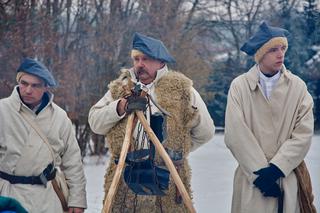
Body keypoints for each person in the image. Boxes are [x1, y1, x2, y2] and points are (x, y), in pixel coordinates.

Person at [89, 32, 215, 212]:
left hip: (169, 181)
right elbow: (95, 122)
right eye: (136, 59)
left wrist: (173, 153)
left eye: (146, 59)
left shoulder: (182, 89)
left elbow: (206, 132)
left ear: (161, 61)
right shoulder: (120, 88)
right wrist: (120, 106)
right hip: (125, 180)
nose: (140, 64)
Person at [225, 21, 315, 213]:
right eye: (273, 49)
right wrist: (260, 176)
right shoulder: (240, 87)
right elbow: (235, 134)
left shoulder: (298, 87)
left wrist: (277, 168)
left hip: (287, 175)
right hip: (251, 179)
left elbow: (304, 133)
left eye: (283, 48)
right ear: (260, 54)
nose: (280, 53)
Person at [0, 58, 87, 213]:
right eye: (24, 83)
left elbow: (72, 161)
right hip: (8, 195)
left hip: (47, 198)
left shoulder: (59, 117)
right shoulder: (2, 110)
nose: (27, 90)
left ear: (46, 87)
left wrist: (77, 199)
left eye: (35, 85)